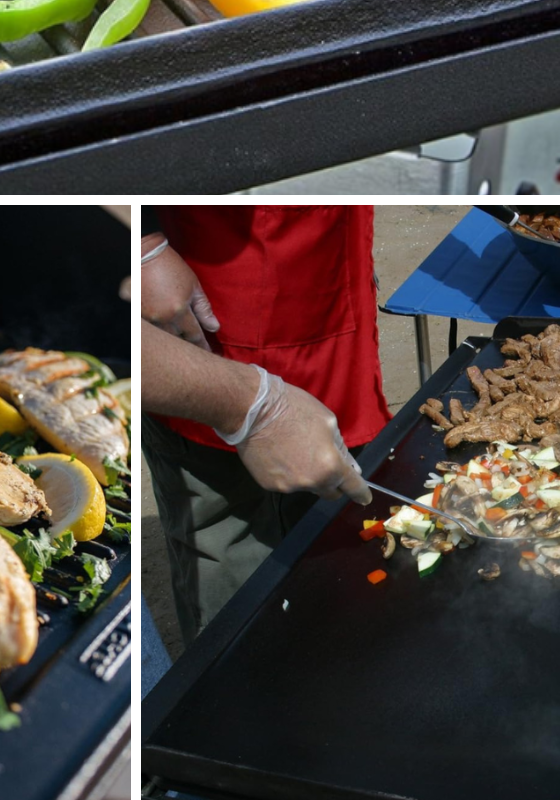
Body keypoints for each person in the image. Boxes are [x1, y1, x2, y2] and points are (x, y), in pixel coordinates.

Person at [140, 204, 388, 648]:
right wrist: (144, 245)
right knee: (232, 598)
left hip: (330, 299)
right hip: (202, 312)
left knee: (343, 562)